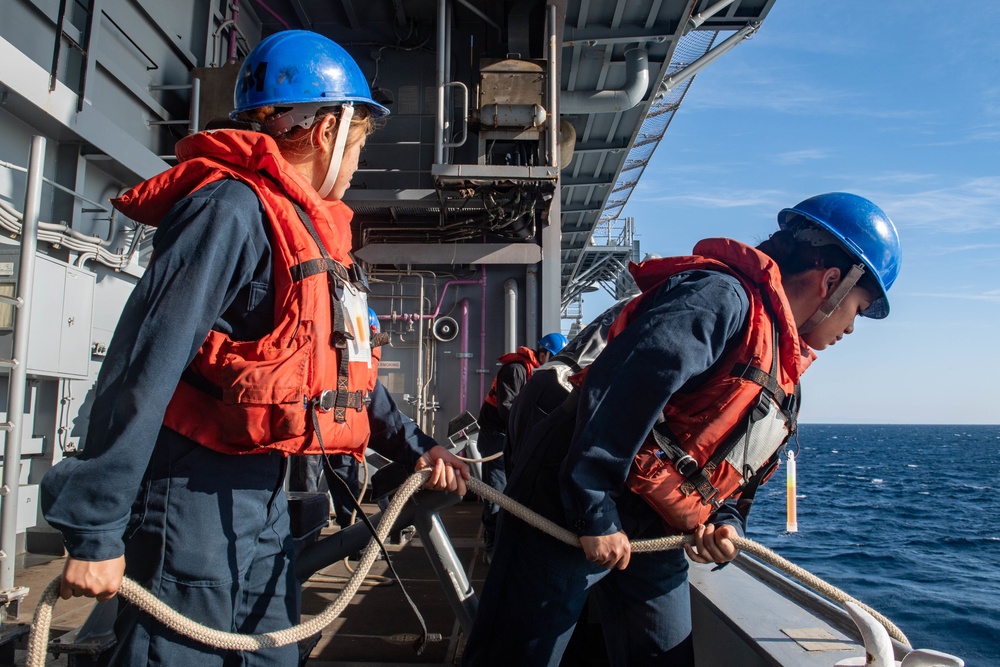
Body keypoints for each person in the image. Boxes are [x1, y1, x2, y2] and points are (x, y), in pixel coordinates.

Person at [40, 30, 469, 667]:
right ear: (328, 131)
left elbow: (341, 373)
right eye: (355, 148)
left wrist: (416, 446)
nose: (354, 168)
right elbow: (144, 361)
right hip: (195, 498)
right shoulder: (229, 210)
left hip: (268, 505)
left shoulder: (310, 234)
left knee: (272, 654)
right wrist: (96, 525)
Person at [462, 192, 901, 666]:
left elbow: (733, 460)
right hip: (570, 500)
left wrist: (725, 522)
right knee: (515, 654)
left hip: (657, 522)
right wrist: (592, 510)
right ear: (831, 281)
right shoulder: (721, 299)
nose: (851, 329)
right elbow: (624, 385)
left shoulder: (781, 368)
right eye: (857, 309)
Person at [289, 308, 385, 529]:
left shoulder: (361, 317)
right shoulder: (358, 317)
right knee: (308, 484)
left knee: (338, 480)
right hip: (315, 417)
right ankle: (308, 535)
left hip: (336, 417)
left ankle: (344, 532)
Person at [476, 333, 568, 561]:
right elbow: (507, 408)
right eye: (553, 358)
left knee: (513, 487)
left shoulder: (536, 372)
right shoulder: (515, 370)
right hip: (496, 437)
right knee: (496, 489)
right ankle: (492, 541)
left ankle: (507, 538)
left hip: (511, 436)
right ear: (543, 353)